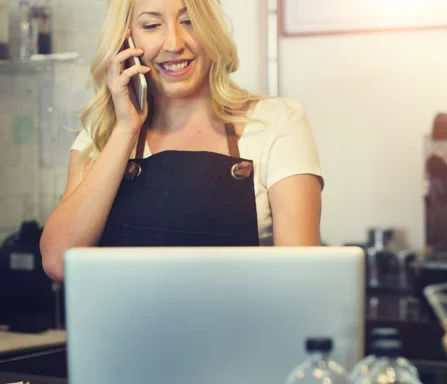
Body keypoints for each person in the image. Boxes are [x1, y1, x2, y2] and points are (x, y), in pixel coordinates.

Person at [40, 0, 323, 282]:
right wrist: (126, 128)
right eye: (151, 25)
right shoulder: (103, 134)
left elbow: (300, 281)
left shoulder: (278, 122)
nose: (174, 43)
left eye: (189, 21)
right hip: (128, 328)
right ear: (125, 40)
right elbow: (58, 262)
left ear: (211, 28)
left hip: (240, 326)